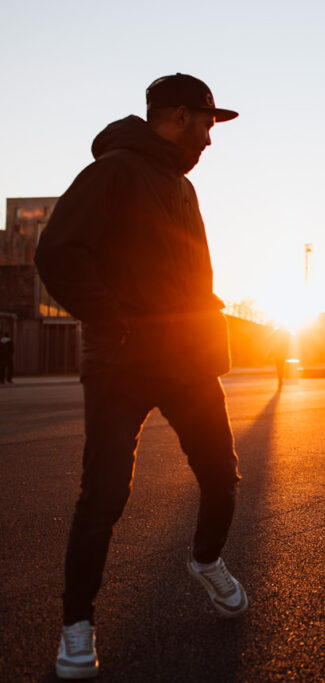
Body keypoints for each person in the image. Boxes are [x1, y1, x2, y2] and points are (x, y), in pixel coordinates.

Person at [33, 73, 247, 680]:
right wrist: (115, 319)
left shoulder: (182, 189)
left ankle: (206, 561)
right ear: (178, 116)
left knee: (222, 478)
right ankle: (77, 624)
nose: (211, 137)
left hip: (186, 363)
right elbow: (57, 252)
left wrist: (206, 325)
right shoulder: (115, 171)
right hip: (121, 364)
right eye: (208, 122)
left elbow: (194, 279)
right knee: (104, 496)